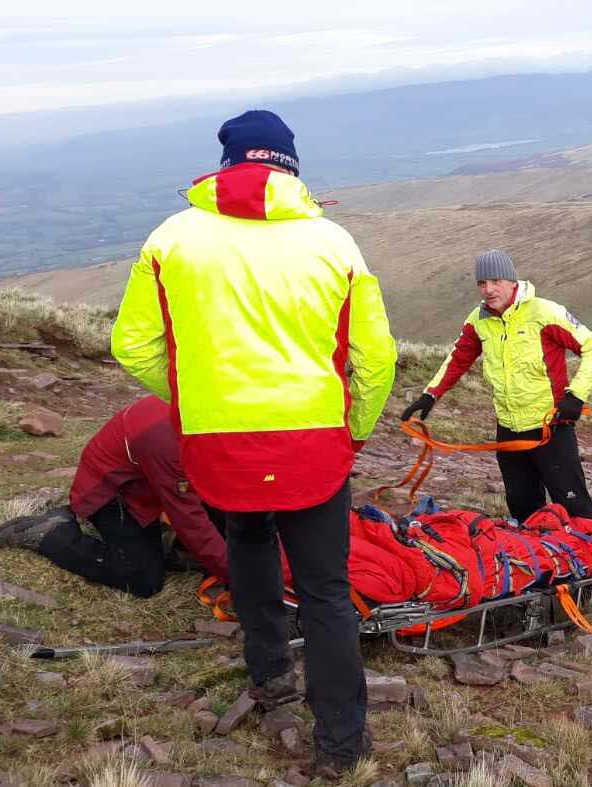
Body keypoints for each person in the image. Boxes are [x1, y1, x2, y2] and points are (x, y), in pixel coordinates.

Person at [110, 110, 397, 776]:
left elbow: (131, 342)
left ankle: (270, 681)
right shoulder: (334, 244)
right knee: (326, 591)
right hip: (313, 446)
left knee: (247, 548)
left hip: (219, 445)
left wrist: (194, 401)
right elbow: (375, 357)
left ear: (228, 163)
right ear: (291, 168)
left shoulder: (171, 238)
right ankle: (341, 743)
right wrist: (355, 428)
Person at [401, 250, 592, 522]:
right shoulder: (479, 320)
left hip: (551, 426)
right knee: (523, 508)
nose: (488, 290)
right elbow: (458, 359)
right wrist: (430, 395)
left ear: (512, 281)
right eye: (482, 284)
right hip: (508, 430)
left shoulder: (544, 312)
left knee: (575, 510)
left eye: (495, 281)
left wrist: (576, 397)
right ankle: (539, 561)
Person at [0, 395, 227, 596]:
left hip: (151, 481)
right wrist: (242, 580)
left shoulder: (214, 411)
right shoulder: (167, 441)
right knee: (142, 579)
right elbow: (188, 518)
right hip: (112, 491)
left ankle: (179, 550)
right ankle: (50, 533)